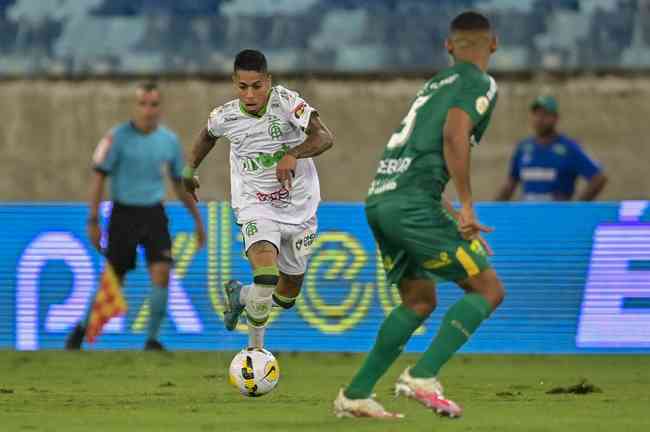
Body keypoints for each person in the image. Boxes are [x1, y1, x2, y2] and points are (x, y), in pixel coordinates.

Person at [333, 11, 505, 419]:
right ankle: (422, 376)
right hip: (413, 205)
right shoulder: (479, 83)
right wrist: (465, 206)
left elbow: (422, 160)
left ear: (449, 46)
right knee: (488, 290)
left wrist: (448, 214)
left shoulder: (432, 86)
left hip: (381, 199)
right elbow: (454, 133)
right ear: (493, 44)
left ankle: (356, 394)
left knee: (418, 300)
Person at [183, 49, 334, 349]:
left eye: (257, 86)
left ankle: (240, 295)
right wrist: (189, 169)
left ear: (268, 81)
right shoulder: (226, 115)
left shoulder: (288, 102)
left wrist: (293, 154)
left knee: (286, 296)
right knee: (266, 275)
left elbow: (325, 137)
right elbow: (207, 135)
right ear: (234, 83)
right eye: (242, 87)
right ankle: (255, 353)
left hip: (299, 208)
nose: (250, 94)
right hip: (255, 204)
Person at [65, 82, 206, 351]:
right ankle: (82, 329)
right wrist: (93, 219)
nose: (148, 110)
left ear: (160, 108)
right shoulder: (115, 138)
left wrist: (198, 221)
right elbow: (98, 177)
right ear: (135, 106)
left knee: (162, 272)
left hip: (154, 213)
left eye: (154, 104)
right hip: (123, 214)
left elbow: (179, 184)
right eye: (143, 104)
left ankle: (152, 340)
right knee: (113, 279)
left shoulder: (169, 141)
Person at [495, 95, 607, 201]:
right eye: (536, 114)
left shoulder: (568, 148)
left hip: (556, 216)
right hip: (529, 215)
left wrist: (576, 208)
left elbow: (598, 178)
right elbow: (511, 183)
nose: (539, 119)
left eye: (545, 115)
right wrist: (490, 210)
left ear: (555, 118)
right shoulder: (524, 147)